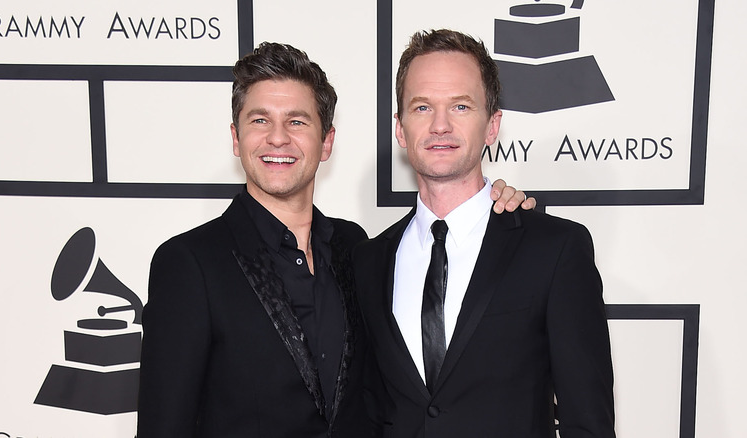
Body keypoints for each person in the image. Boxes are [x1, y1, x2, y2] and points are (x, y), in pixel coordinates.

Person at [137, 42, 532, 437]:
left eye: (297, 121)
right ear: (236, 138)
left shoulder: (356, 249)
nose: (278, 138)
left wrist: (494, 212)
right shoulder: (189, 263)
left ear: (326, 142)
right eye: (259, 121)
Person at [353, 29, 616, 438]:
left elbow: (588, 422)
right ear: (400, 129)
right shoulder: (368, 261)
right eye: (422, 107)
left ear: (492, 126)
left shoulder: (554, 250)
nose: (440, 125)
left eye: (460, 105)